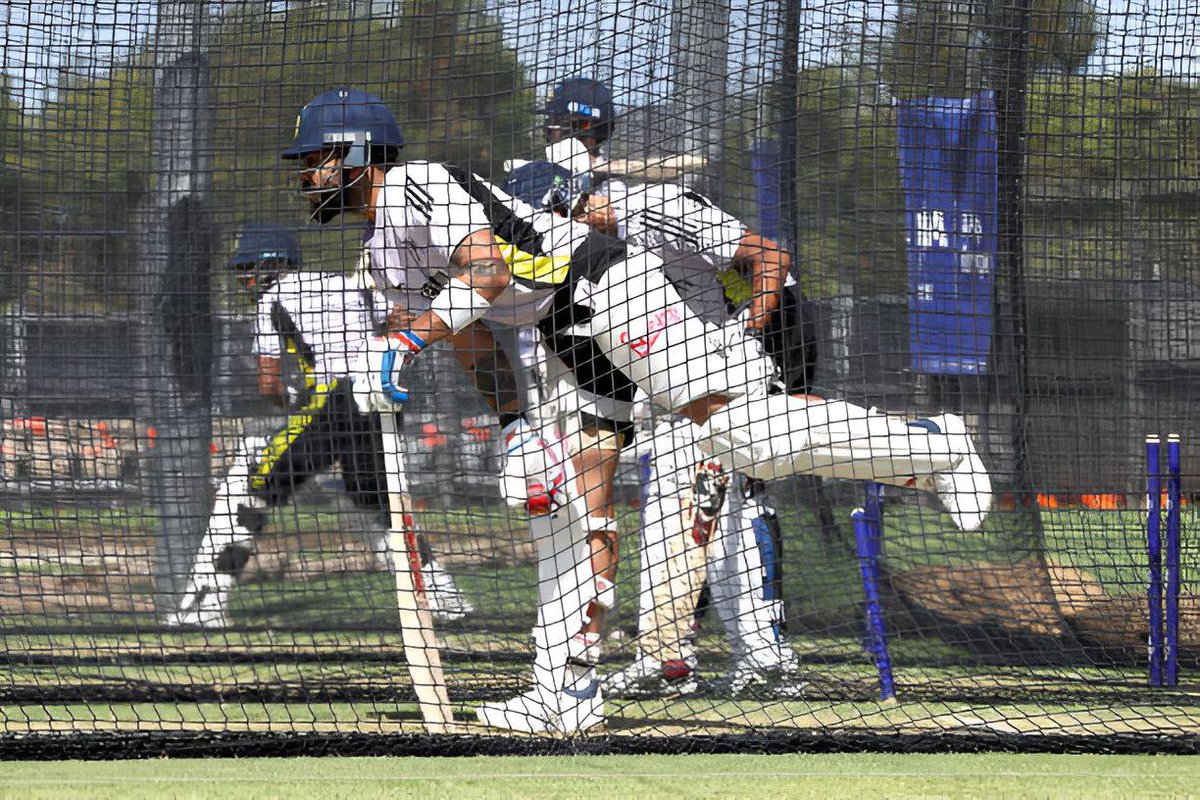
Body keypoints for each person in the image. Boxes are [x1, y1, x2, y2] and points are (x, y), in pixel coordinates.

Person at [282, 87, 991, 734]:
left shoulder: (419, 183)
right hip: (561, 333)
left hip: (610, 287)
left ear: (355, 154)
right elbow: (473, 339)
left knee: (745, 440)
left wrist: (403, 343)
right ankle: (565, 692)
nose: (306, 175)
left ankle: (936, 443)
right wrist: (514, 426)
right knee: (561, 507)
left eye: (315, 159)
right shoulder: (381, 256)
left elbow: (488, 275)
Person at [502, 157, 806, 698]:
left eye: (567, 218)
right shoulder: (578, 264)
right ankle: (669, 655)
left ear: (585, 201)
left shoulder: (656, 210)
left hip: (771, 336)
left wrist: (746, 335)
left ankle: (767, 656)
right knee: (671, 492)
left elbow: (772, 258)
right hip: (694, 365)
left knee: (731, 497)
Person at [164, 223, 473, 630]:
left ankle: (202, 608)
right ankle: (443, 599)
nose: (244, 280)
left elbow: (268, 382)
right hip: (379, 400)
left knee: (250, 482)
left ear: (268, 267)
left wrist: (295, 401)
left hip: (332, 400)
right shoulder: (351, 285)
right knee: (378, 505)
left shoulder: (272, 299)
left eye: (246, 270)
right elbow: (401, 319)